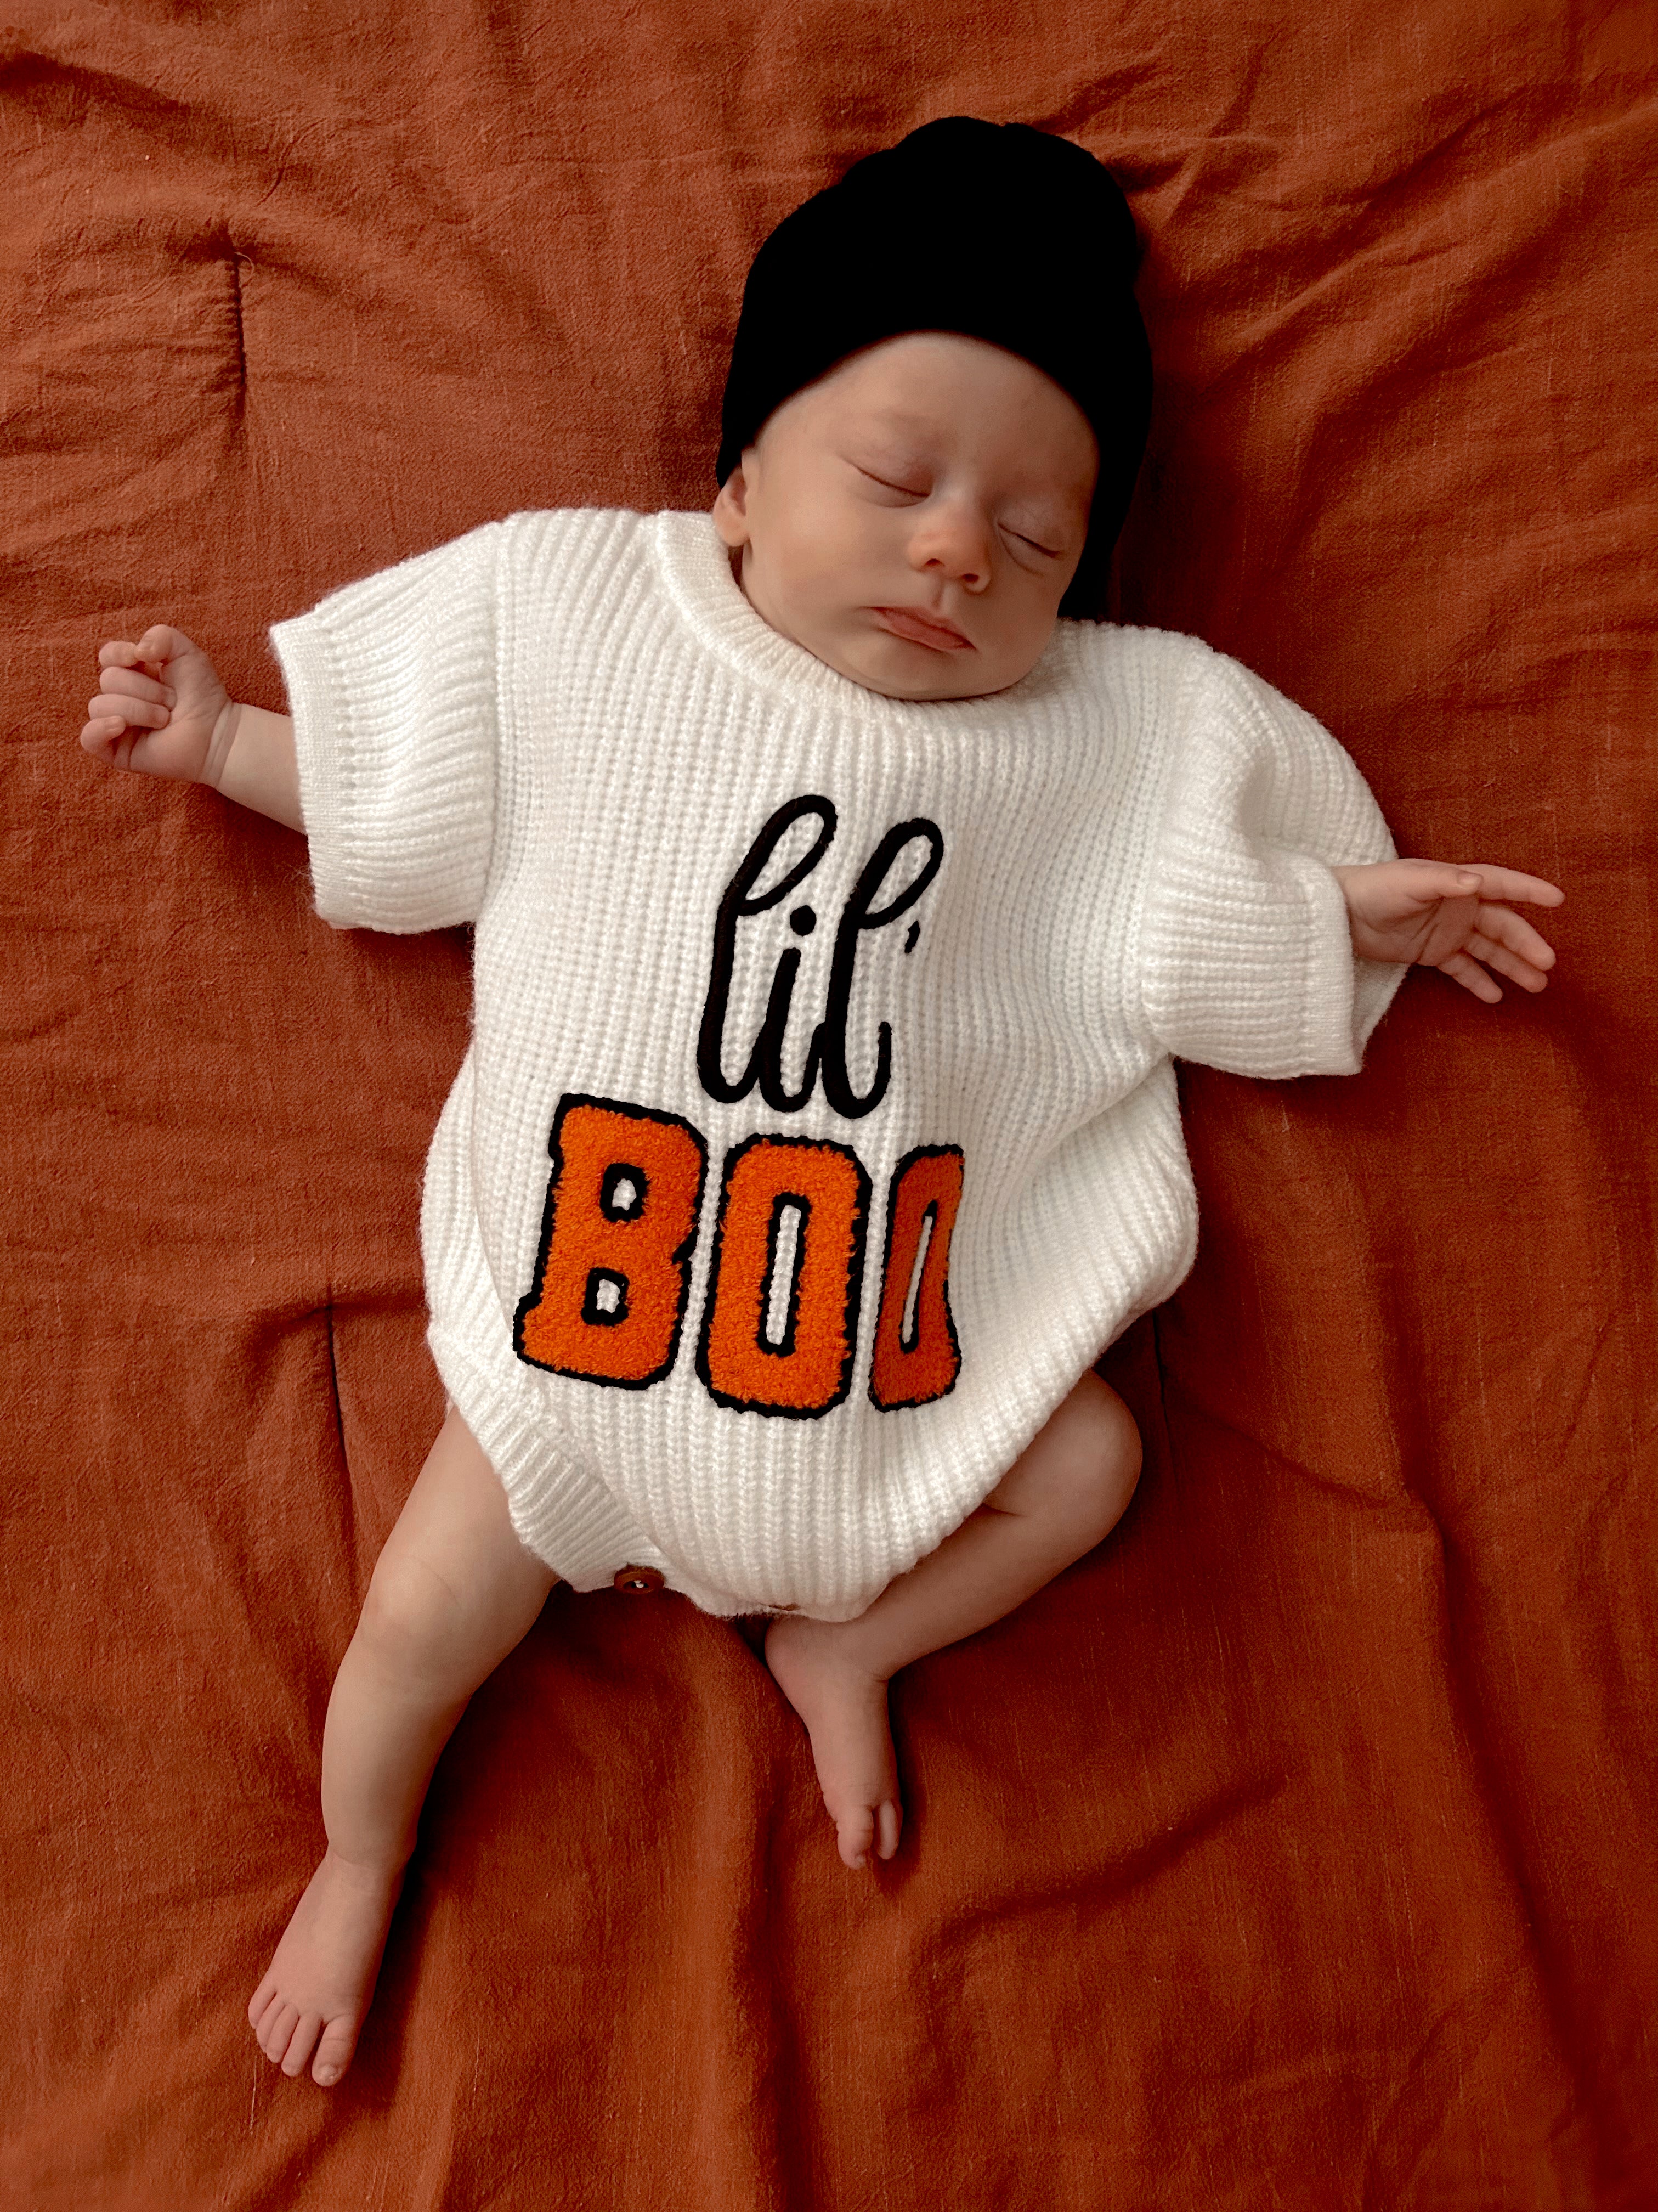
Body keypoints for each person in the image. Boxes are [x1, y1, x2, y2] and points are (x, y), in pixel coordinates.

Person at [78, 120, 1562, 2090]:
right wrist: (227, 744)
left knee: (1091, 1468)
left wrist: (1342, 917)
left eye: (1036, 540)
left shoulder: (1079, 746)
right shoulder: (593, 629)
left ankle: (851, 1640)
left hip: (891, 1382)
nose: (959, 549)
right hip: (573, 1369)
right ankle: (361, 1856)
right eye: (893, 480)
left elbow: (1176, 930)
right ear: (739, 480)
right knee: (416, 1627)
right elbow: (408, 798)